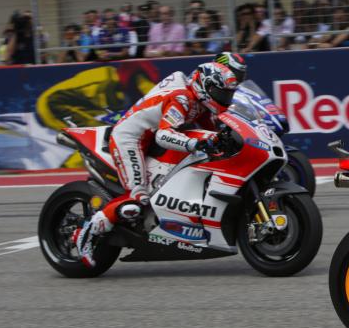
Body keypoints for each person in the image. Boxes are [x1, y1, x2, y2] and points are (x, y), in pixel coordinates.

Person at [72, 62, 239, 267]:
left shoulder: (201, 102)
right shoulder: (183, 98)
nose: (225, 98)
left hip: (149, 140)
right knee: (138, 199)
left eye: (228, 94)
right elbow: (164, 135)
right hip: (131, 139)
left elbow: (211, 130)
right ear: (205, 86)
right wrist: (195, 143)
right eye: (220, 92)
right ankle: (87, 232)